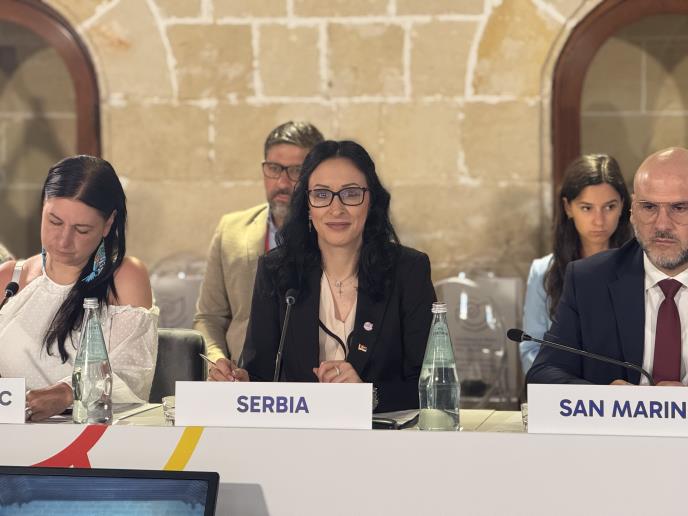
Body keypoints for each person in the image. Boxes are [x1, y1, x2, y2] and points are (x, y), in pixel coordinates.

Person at [208, 140, 436, 413]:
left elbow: (431, 385)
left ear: (371, 200)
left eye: (351, 194)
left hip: (382, 434)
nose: (336, 209)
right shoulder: (277, 270)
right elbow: (261, 374)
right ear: (307, 204)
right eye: (321, 194)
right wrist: (241, 383)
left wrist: (368, 394)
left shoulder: (408, 270)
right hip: (299, 434)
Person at [0, 155, 158, 421]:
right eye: (54, 222)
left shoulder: (125, 277)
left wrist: (67, 393)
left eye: (82, 230)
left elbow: (132, 373)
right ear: (42, 208)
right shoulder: (10, 278)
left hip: (92, 436)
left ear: (108, 224)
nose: (64, 240)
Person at [527, 147, 688, 385]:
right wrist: (604, 398)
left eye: (680, 208)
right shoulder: (588, 280)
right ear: (632, 210)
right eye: (649, 207)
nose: (661, 225)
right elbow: (543, 375)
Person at [194, 121, 324, 366]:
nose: (282, 183)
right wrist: (217, 362)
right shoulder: (231, 230)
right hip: (244, 374)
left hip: (313, 376)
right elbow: (209, 317)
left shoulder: (333, 233)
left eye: (296, 170)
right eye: (273, 168)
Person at [520, 154, 632, 373]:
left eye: (609, 207)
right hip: (564, 389)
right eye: (587, 208)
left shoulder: (642, 266)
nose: (599, 220)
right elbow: (531, 351)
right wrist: (573, 386)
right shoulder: (543, 271)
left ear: (623, 206)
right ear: (568, 207)